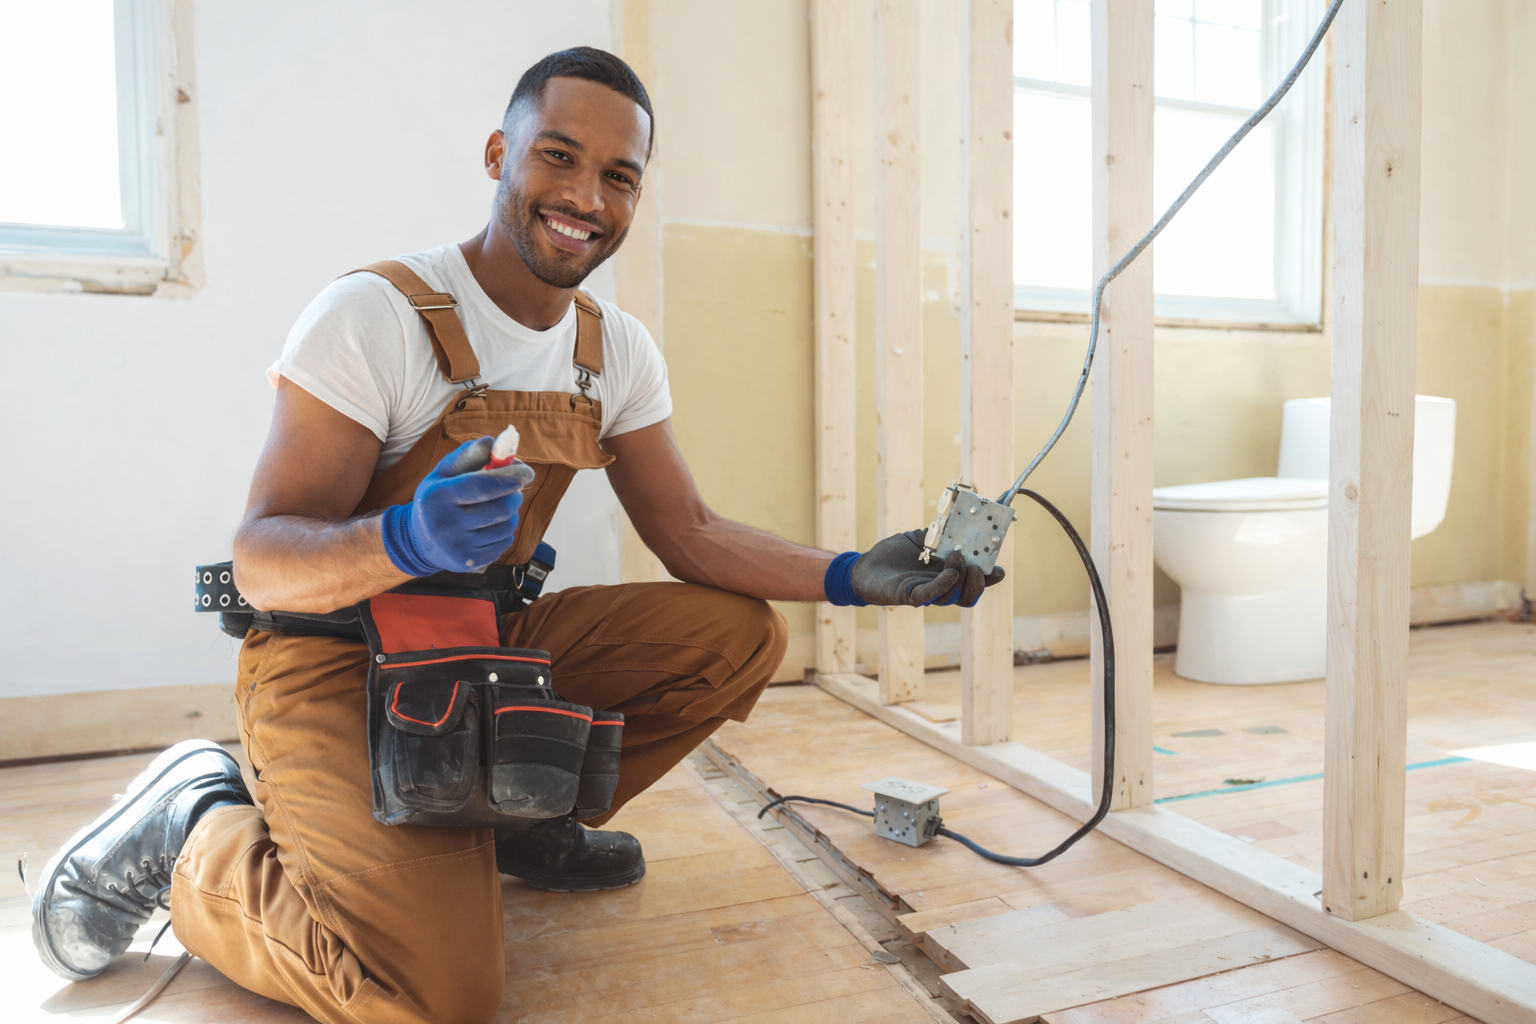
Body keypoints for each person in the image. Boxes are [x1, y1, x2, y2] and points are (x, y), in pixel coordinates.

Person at [31, 47, 1002, 1023]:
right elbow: (263, 557)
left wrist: (850, 575)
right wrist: (405, 537)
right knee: (436, 997)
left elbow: (692, 533)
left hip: (472, 659)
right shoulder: (377, 317)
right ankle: (194, 832)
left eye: (618, 176)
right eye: (559, 157)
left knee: (739, 637)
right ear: (501, 153)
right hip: (330, 665)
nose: (586, 195)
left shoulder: (609, 348)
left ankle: (520, 823)